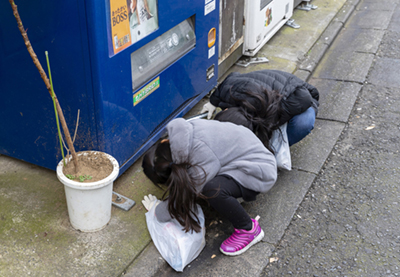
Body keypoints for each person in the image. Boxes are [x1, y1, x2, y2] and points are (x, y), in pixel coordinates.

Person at [141, 118, 277, 256]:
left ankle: (248, 229)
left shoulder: (201, 158)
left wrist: (157, 211)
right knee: (209, 189)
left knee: (213, 190)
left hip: (259, 172)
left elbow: (184, 195)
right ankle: (231, 196)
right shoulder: (183, 132)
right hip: (248, 153)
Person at [201, 69, 320, 146]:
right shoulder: (230, 92)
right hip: (262, 84)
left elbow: (305, 97)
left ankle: (278, 147)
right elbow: (231, 77)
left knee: (303, 123)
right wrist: (212, 103)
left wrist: (275, 124)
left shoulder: (275, 109)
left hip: (297, 93)